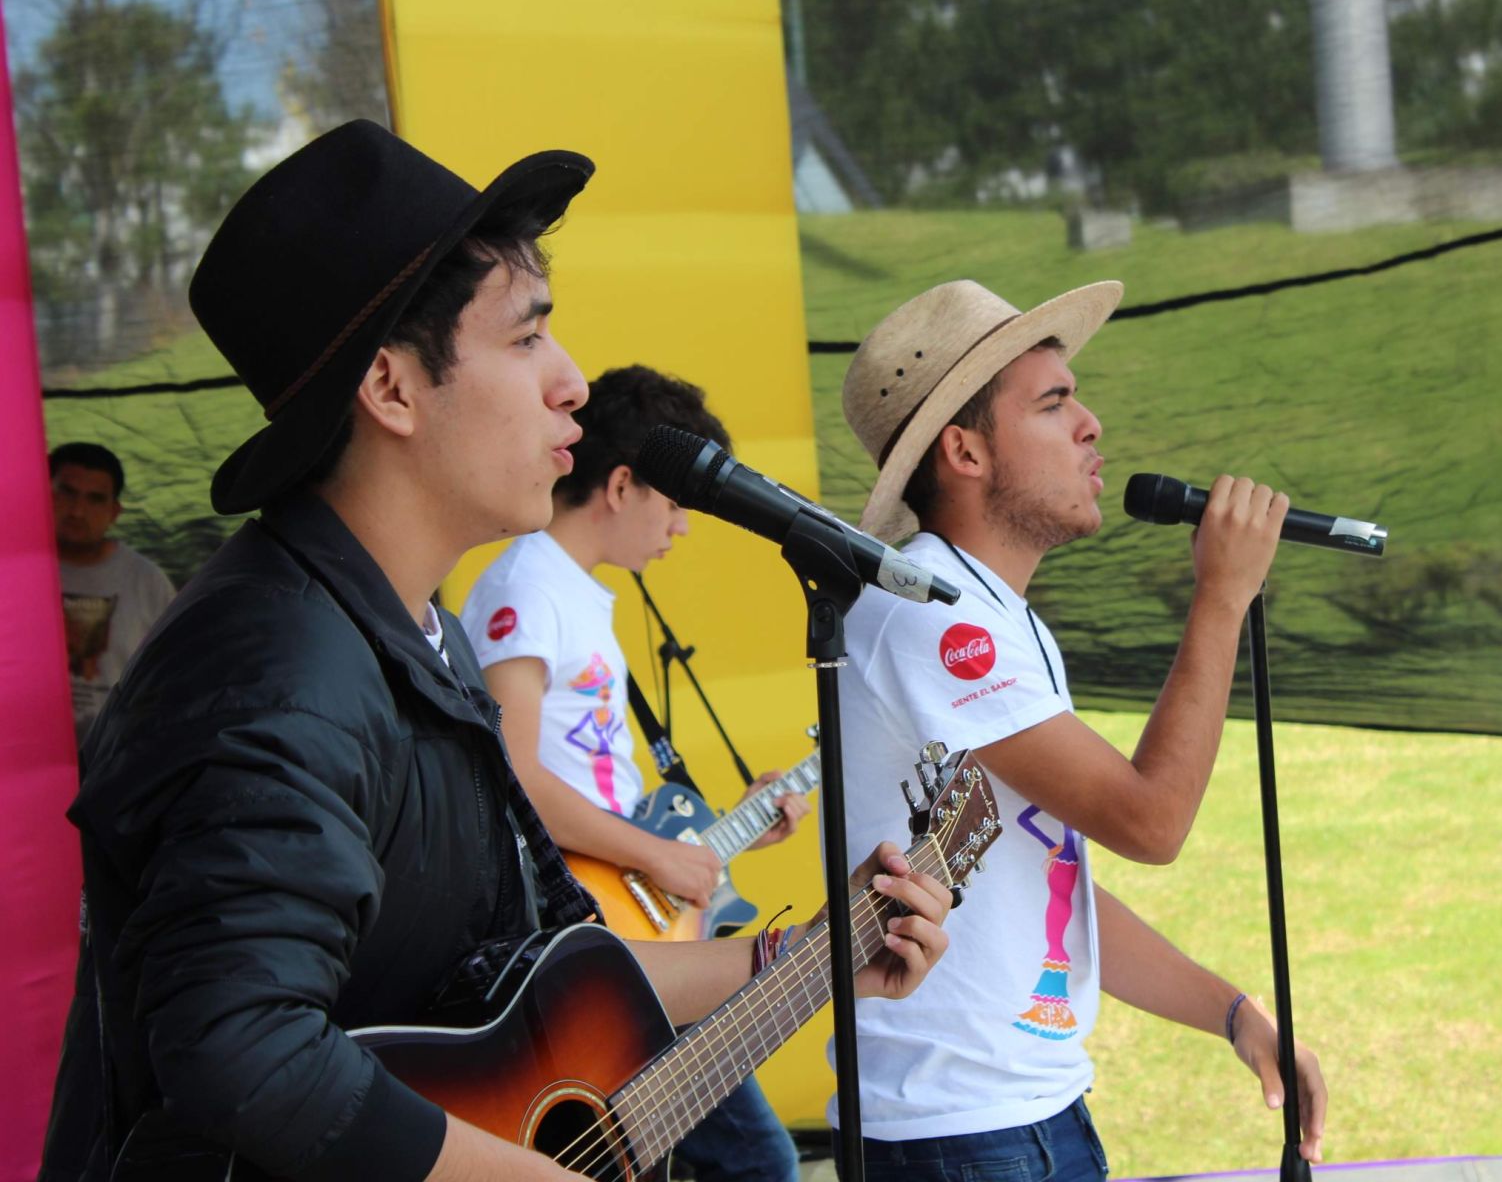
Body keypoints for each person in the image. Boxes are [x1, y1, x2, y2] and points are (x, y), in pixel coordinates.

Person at [39, 121, 950, 1182]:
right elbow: (243, 1051)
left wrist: (803, 958)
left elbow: (531, 986)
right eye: (526, 339)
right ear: (390, 388)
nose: (572, 382)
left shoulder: (423, 632)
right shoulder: (272, 671)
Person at [829, 279, 1329, 1179]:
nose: (1091, 423)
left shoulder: (992, 615)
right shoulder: (934, 617)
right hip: (960, 1134)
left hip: (1020, 1115)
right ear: (966, 451)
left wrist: (1231, 1011)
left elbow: (1041, 883)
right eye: (1054, 403)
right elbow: (1151, 823)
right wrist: (1221, 596)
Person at [466, 363, 812, 1182]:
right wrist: (657, 858)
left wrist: (717, 836)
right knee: (758, 1163)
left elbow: (600, 789)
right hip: (589, 937)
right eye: (676, 502)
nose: (682, 527)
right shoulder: (524, 583)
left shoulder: (576, 593)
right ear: (622, 484)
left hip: (634, 919)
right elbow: (512, 779)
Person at [49, 442, 176, 742]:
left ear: (114, 510)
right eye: (67, 493)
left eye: (95, 499)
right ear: (44, 492)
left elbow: (173, 675)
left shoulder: (147, 581)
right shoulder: (14, 570)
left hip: (112, 761)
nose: (78, 511)